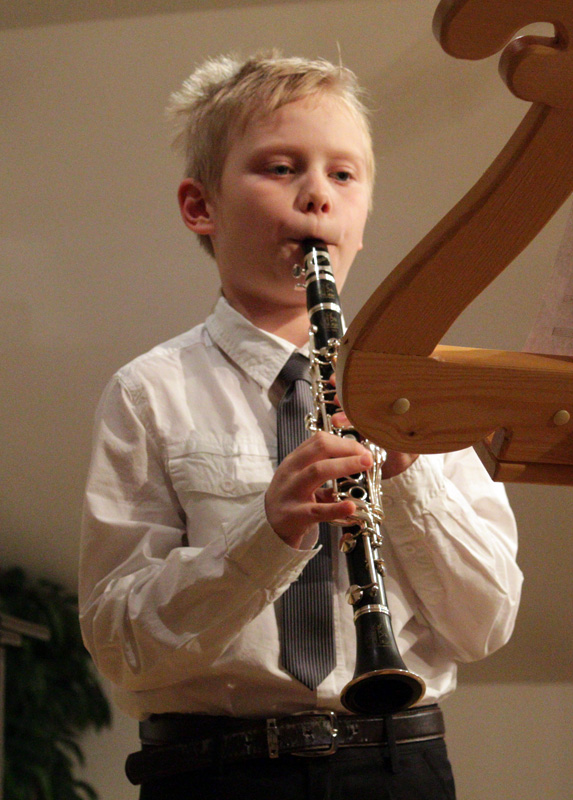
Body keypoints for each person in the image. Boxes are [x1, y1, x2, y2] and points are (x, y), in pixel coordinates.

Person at [79, 52, 523, 800]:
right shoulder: (148, 393)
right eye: (281, 167)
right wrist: (267, 532)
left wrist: (407, 472)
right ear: (200, 206)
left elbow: (484, 625)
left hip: (397, 764)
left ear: (364, 216)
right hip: (213, 773)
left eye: (343, 175)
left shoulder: (418, 395)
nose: (317, 194)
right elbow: (121, 646)